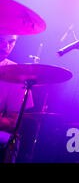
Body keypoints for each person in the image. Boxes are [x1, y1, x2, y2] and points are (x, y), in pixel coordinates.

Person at [0, 34, 33, 162]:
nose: (6, 47)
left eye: (11, 42)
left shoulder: (16, 73)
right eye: (1, 40)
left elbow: (13, 123)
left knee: (10, 140)